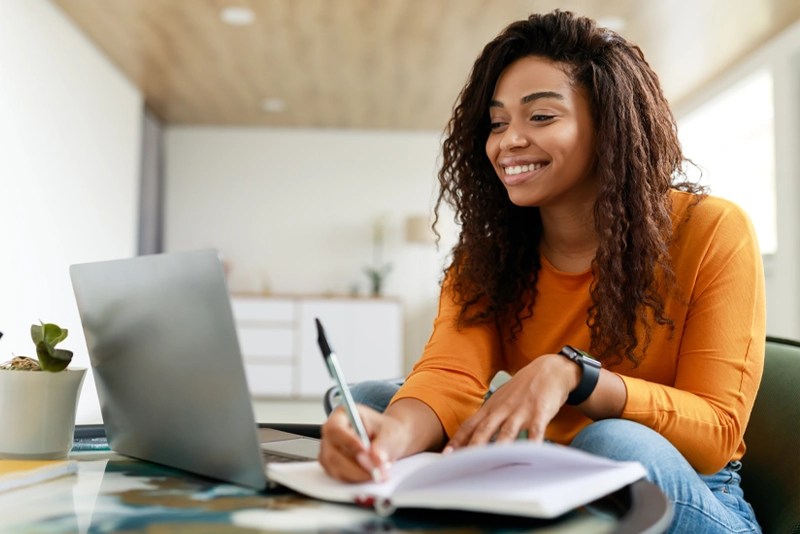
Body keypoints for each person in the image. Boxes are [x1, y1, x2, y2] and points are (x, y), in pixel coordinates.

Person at [320, 10, 764, 532]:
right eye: (498, 122)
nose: (508, 142)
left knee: (612, 443)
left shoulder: (712, 230)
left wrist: (576, 375)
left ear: (610, 126)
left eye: (541, 117)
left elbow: (716, 431)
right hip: (545, 471)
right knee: (376, 403)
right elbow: (449, 374)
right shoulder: (487, 256)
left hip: (685, 489)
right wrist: (387, 439)